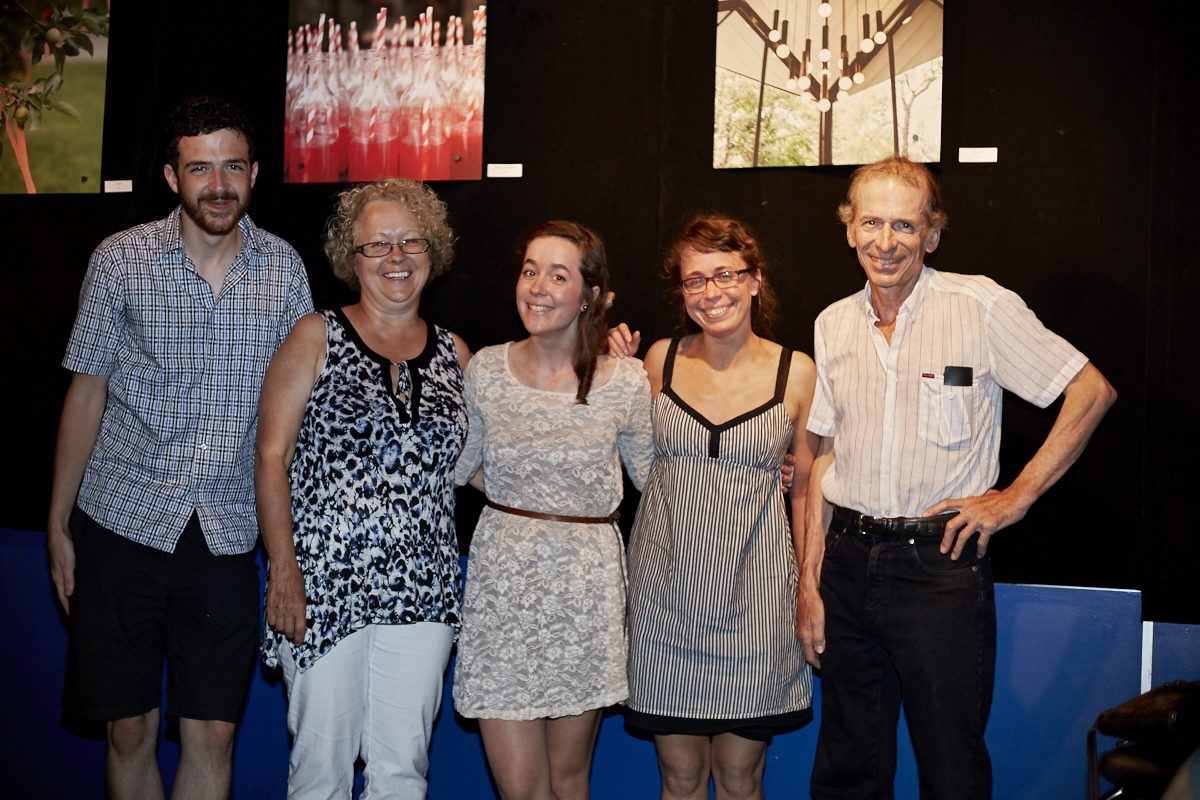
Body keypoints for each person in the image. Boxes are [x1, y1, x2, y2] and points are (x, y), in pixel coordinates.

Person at [799, 156, 1117, 800]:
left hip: (939, 567)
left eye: (905, 226)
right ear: (849, 229)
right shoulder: (832, 324)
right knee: (846, 767)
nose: (886, 242)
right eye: (871, 223)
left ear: (932, 234)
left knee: (951, 767)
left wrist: (1014, 499)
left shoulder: (981, 305)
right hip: (847, 564)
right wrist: (809, 583)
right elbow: (826, 455)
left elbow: (1091, 391)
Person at [46, 95, 313, 800]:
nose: (217, 184)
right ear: (172, 177)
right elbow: (86, 394)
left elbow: (297, 417)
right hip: (121, 521)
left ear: (253, 172)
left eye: (232, 166)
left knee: (213, 735)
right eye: (200, 168)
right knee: (128, 729)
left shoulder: (285, 271)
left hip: (226, 536)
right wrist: (57, 523)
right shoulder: (120, 260)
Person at [256, 179, 470, 799]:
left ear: (434, 252)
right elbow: (271, 457)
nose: (396, 257)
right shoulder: (315, 335)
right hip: (323, 586)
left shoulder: (457, 355)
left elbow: (490, 461)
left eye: (410, 241)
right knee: (320, 768)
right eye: (377, 245)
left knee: (402, 769)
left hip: (424, 594)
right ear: (351, 259)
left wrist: (601, 361)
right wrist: (283, 570)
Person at [609, 214, 819, 800]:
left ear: (754, 280)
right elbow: (631, 466)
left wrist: (810, 588)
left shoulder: (796, 372)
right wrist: (610, 378)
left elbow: (806, 490)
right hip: (663, 602)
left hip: (757, 605)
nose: (710, 292)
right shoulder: (657, 362)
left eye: (725, 274)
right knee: (678, 778)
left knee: (738, 777)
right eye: (694, 280)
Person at [452, 221, 654, 800]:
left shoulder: (625, 381)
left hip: (584, 590)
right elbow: (459, 465)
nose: (537, 287)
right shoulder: (486, 369)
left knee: (568, 782)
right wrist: (524, 497)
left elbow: (653, 477)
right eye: (530, 270)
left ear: (590, 296)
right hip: (502, 589)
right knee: (521, 789)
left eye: (558, 275)